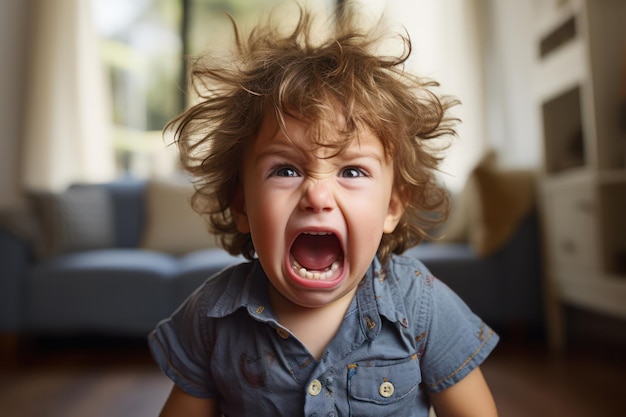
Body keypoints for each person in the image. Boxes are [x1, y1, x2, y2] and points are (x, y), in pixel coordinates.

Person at [149, 4, 499, 416]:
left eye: (351, 170)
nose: (317, 195)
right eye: (286, 169)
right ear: (241, 203)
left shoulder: (420, 307)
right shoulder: (212, 317)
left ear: (392, 206)